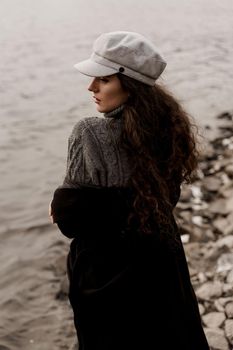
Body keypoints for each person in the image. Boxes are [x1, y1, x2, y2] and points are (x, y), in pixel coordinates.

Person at [50, 31, 210, 350]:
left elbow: (70, 220)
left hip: (106, 273)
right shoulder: (167, 127)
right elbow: (168, 198)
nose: (91, 87)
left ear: (130, 83)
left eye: (103, 79)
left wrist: (61, 205)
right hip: (161, 263)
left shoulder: (89, 132)